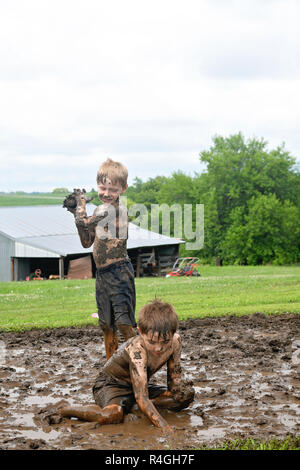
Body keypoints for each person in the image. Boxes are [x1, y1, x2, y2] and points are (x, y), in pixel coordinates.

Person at [55, 300, 194, 434]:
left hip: (138, 386)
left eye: (165, 342)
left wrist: (180, 392)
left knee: (182, 398)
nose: (159, 348)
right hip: (112, 385)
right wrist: (163, 426)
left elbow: (174, 379)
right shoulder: (137, 349)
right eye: (152, 342)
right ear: (140, 332)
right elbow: (142, 397)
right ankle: (66, 409)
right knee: (112, 415)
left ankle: (133, 408)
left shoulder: (176, 342)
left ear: (173, 333)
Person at [63, 158, 136, 360]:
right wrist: (77, 216)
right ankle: (111, 371)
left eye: (112, 190)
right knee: (106, 324)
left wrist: (80, 202)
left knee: (125, 323)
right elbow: (86, 241)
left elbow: (83, 220)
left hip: (120, 271)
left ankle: (141, 365)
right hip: (102, 274)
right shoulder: (100, 210)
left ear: (123, 188)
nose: (106, 194)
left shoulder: (113, 210)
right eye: (103, 188)